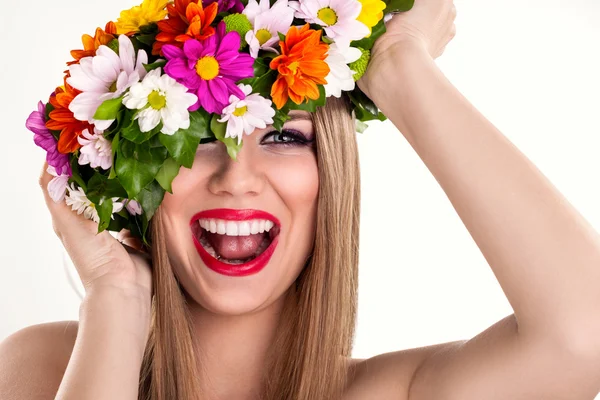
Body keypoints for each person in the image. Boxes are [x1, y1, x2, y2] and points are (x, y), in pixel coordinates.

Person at [2, 0, 600, 399]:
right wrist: (115, 298)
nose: (238, 178)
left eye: (285, 137)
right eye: (201, 139)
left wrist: (397, 66)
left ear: (330, 177)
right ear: (138, 182)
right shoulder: (43, 370)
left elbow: (584, 335)